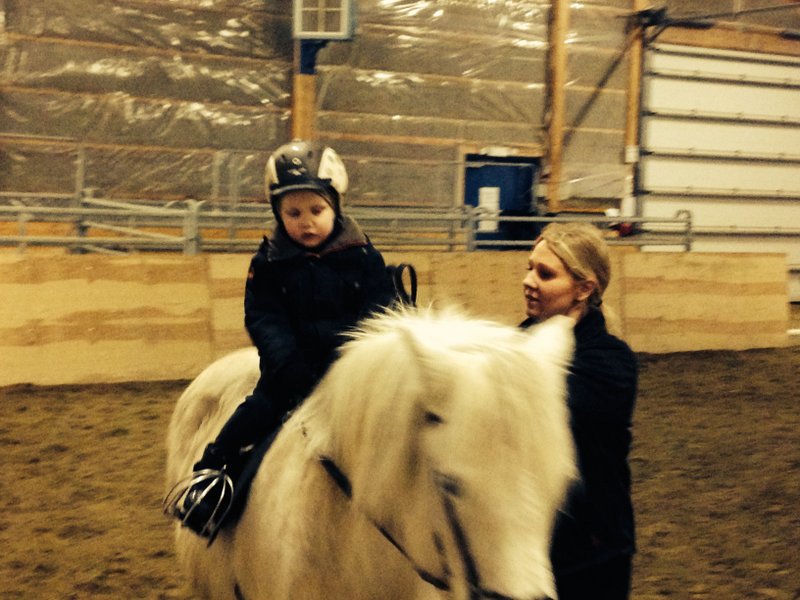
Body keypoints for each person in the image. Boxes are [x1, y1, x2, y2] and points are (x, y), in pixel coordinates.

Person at [173, 140, 399, 539]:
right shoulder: (268, 262)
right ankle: (211, 473)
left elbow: (378, 309)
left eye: (316, 211)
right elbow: (264, 317)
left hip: (350, 373)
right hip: (289, 373)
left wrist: (354, 359)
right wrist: (288, 364)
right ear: (278, 213)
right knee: (257, 411)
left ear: (335, 207)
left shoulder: (364, 257)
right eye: (293, 213)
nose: (306, 222)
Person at [520, 222, 638, 600]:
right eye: (529, 268)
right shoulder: (519, 343)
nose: (528, 281)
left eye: (545, 274)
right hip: (531, 550)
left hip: (592, 557)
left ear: (584, 289)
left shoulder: (611, 363)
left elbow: (536, 404)